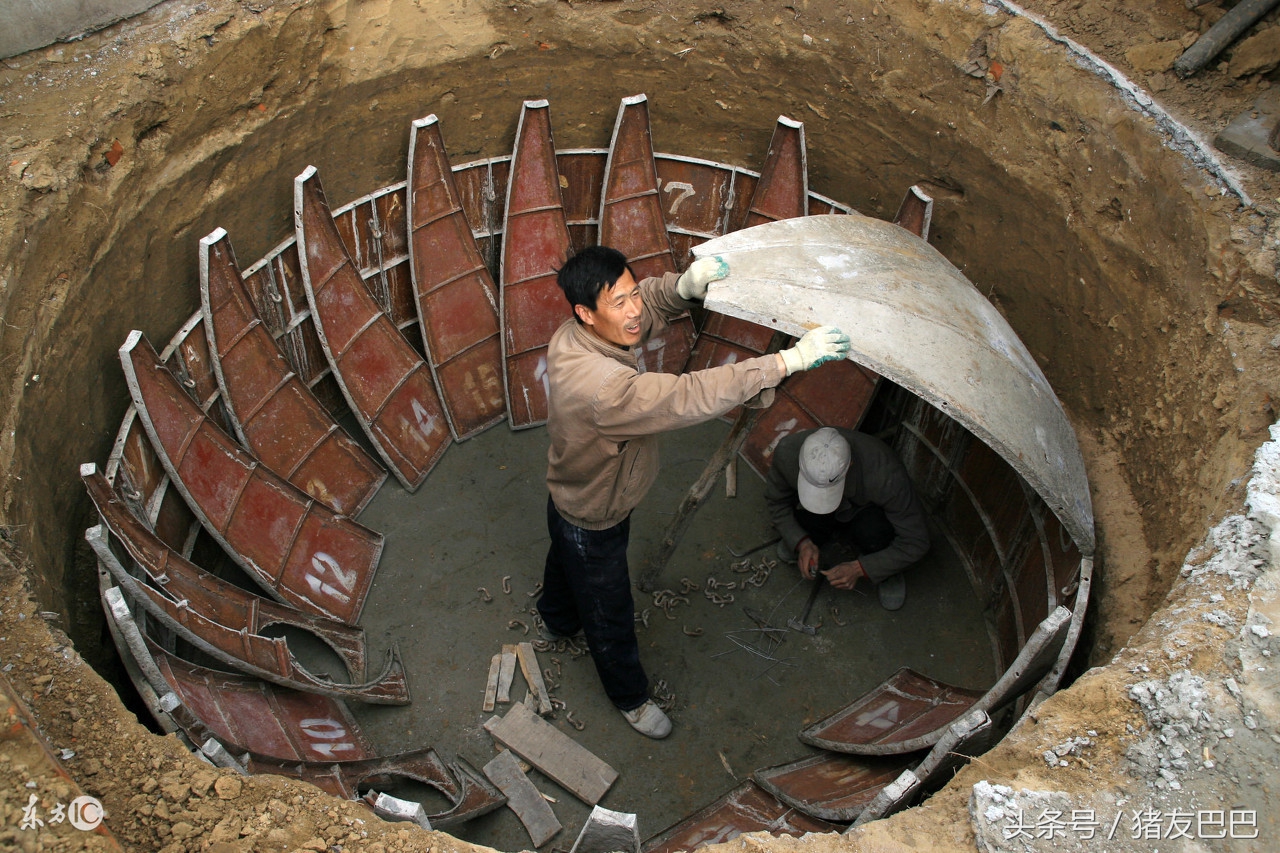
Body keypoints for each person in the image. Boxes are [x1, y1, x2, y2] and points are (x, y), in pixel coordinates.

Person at [536, 245, 851, 738]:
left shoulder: (576, 336)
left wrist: (679, 288)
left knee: (564, 549)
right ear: (585, 313)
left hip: (570, 491)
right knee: (608, 610)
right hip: (597, 512)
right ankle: (630, 698)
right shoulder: (602, 388)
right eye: (618, 303)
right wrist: (783, 363)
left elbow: (641, 319)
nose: (634, 309)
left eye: (634, 292)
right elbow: (687, 396)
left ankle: (554, 618)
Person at [765, 426, 929, 611]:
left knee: (875, 532)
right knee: (804, 517)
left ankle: (887, 569)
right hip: (824, 511)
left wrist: (861, 568)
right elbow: (776, 503)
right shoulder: (787, 451)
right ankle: (809, 540)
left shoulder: (886, 474)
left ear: (850, 465)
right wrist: (800, 541)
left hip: (864, 511)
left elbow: (916, 541)